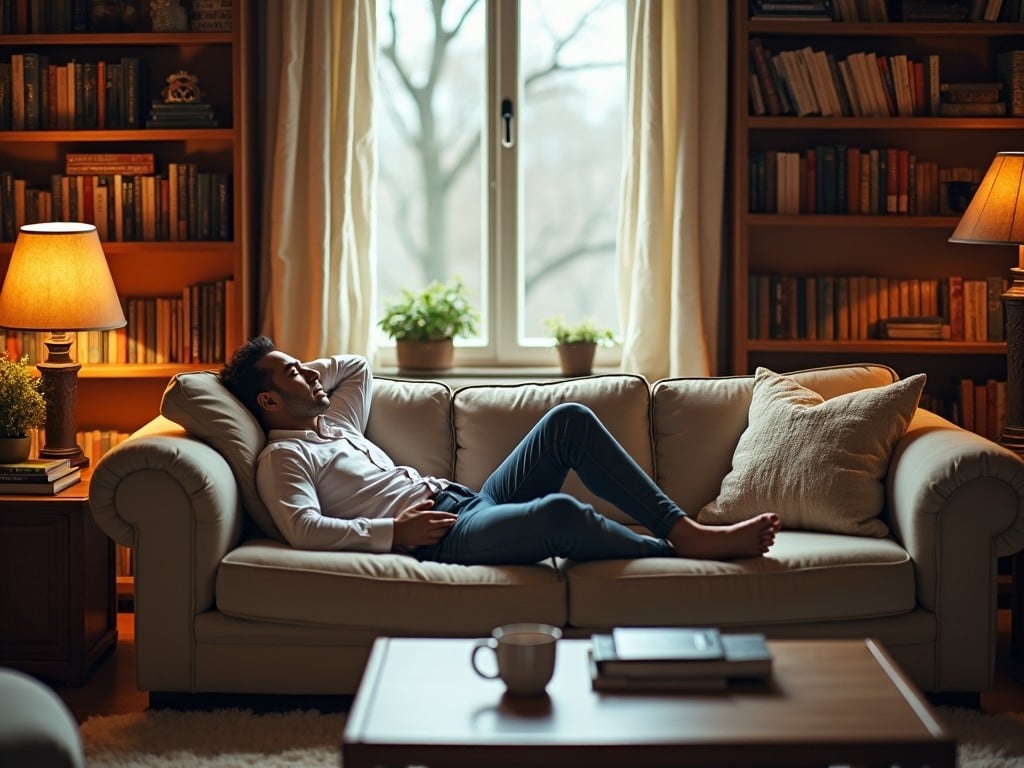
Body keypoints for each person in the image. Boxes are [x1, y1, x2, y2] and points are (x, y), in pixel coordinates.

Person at [219, 336, 780, 565]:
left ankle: (682, 532)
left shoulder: (331, 423)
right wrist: (394, 535)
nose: (311, 374)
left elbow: (356, 368)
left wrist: (301, 373)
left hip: (468, 500)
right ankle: (677, 553)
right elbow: (302, 528)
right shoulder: (284, 457)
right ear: (267, 399)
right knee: (560, 514)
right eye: (293, 373)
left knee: (569, 421)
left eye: (305, 367)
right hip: (442, 538)